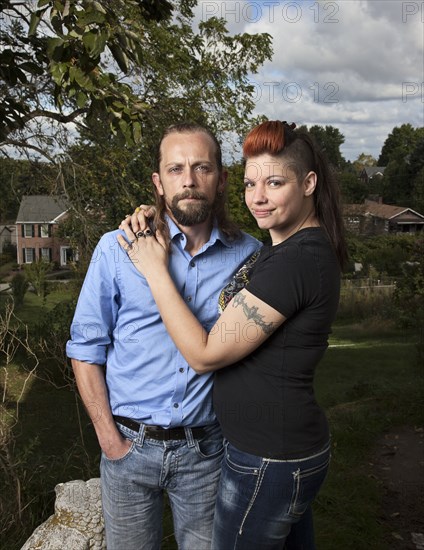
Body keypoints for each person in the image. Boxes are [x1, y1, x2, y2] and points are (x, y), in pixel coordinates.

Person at [118, 120, 348, 549]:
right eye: (250, 183)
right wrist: (158, 213)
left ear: (309, 183)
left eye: (275, 182)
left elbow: (205, 355)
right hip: (274, 452)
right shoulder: (281, 250)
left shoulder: (297, 260)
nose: (258, 197)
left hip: (269, 459)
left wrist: (154, 268)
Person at [65, 122, 260, 550]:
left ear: (222, 179)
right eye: (175, 169)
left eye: (201, 167)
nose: (188, 180)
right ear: (158, 181)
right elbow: (85, 350)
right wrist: (109, 439)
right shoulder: (116, 249)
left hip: (207, 452)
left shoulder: (248, 257)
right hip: (128, 449)